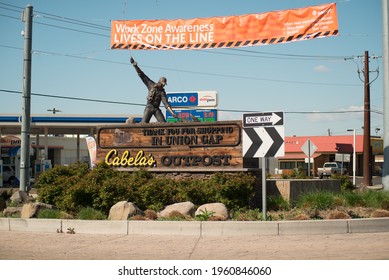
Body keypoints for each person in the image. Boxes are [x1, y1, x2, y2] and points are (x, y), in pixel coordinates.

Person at [130, 57, 178, 123]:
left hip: (156, 109)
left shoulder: (162, 92)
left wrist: (172, 113)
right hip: (149, 108)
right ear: (160, 82)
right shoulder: (151, 85)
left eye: (164, 84)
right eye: (163, 84)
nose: (163, 85)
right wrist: (135, 65)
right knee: (143, 124)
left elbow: (166, 104)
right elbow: (142, 75)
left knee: (164, 124)